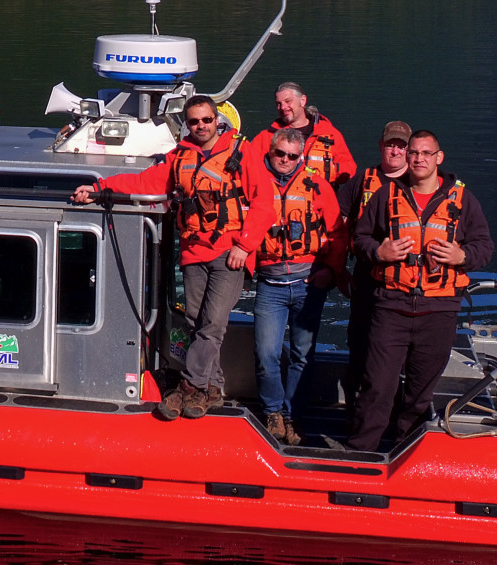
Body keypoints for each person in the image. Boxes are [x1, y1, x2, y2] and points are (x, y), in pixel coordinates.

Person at [72, 94, 265, 422]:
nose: (201, 126)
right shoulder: (180, 157)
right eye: (194, 122)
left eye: (206, 120)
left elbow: (264, 204)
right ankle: (211, 387)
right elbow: (145, 182)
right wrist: (100, 187)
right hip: (193, 251)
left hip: (229, 253)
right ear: (186, 125)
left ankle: (189, 387)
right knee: (194, 321)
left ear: (217, 120)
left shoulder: (242, 152)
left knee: (213, 324)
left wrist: (245, 246)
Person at [345, 129, 493, 451]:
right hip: (391, 307)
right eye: (414, 153)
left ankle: (407, 452)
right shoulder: (386, 195)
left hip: (439, 311)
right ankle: (359, 452)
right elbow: (360, 238)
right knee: (377, 386)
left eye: (426, 153)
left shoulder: (463, 199)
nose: (418, 159)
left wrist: (462, 256)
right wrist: (377, 252)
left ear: (439, 158)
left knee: (419, 392)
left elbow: (484, 247)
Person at [249, 127, 349, 445]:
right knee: (266, 354)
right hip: (270, 284)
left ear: (301, 157)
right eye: (280, 154)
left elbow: (336, 233)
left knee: (302, 355)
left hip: (308, 284)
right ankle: (273, 412)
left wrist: (330, 271)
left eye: (293, 156)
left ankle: (293, 417)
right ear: (271, 151)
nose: (285, 160)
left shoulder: (317, 185)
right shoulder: (253, 182)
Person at [334, 120, 413, 403]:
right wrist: (338, 268)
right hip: (366, 275)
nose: (394, 151)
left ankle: (395, 407)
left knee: (397, 350)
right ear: (381, 146)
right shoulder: (362, 180)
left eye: (401, 146)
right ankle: (355, 407)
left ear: (409, 150)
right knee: (360, 341)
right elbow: (339, 223)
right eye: (390, 144)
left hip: (406, 282)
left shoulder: (419, 183)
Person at [246, 82, 357, 191]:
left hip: (320, 200)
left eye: (288, 101)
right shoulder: (266, 137)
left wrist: (324, 172)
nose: (283, 107)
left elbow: (349, 169)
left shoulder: (330, 133)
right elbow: (248, 167)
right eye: (278, 104)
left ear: (302, 101)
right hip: (279, 203)